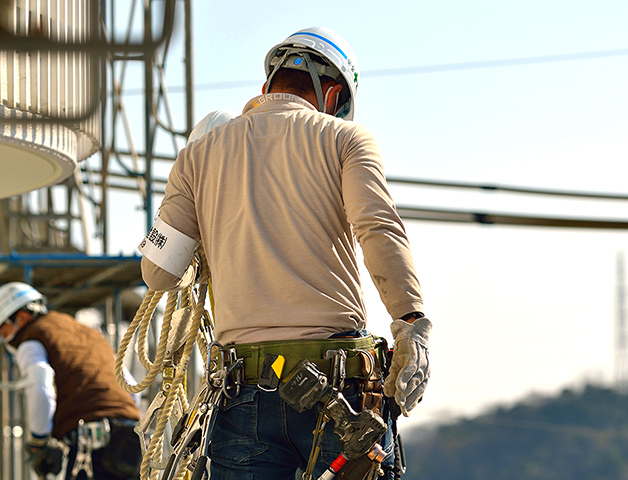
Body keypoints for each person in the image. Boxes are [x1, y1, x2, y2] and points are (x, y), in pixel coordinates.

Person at [138, 26, 431, 479]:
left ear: (266, 87)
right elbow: (378, 228)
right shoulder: (345, 139)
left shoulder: (197, 154)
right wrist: (411, 323)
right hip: (340, 394)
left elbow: (158, 273)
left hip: (243, 394)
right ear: (333, 95)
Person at [0, 282, 142, 480]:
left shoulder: (31, 341)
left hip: (90, 450)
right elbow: (133, 388)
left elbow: (40, 387)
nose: (4, 337)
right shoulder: (90, 334)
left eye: (3, 330)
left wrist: (38, 442)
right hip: (130, 442)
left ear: (22, 317)